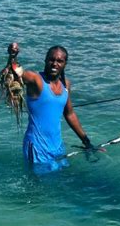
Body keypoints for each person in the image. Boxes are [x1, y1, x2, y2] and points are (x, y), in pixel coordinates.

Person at [5, 43, 98, 174]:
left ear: (65, 64)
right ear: (45, 60)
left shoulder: (66, 85)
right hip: (36, 148)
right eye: (51, 59)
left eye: (59, 61)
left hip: (57, 146)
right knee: (36, 187)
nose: (55, 63)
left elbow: (70, 114)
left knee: (61, 182)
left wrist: (86, 141)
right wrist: (13, 56)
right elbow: (15, 74)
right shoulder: (36, 79)